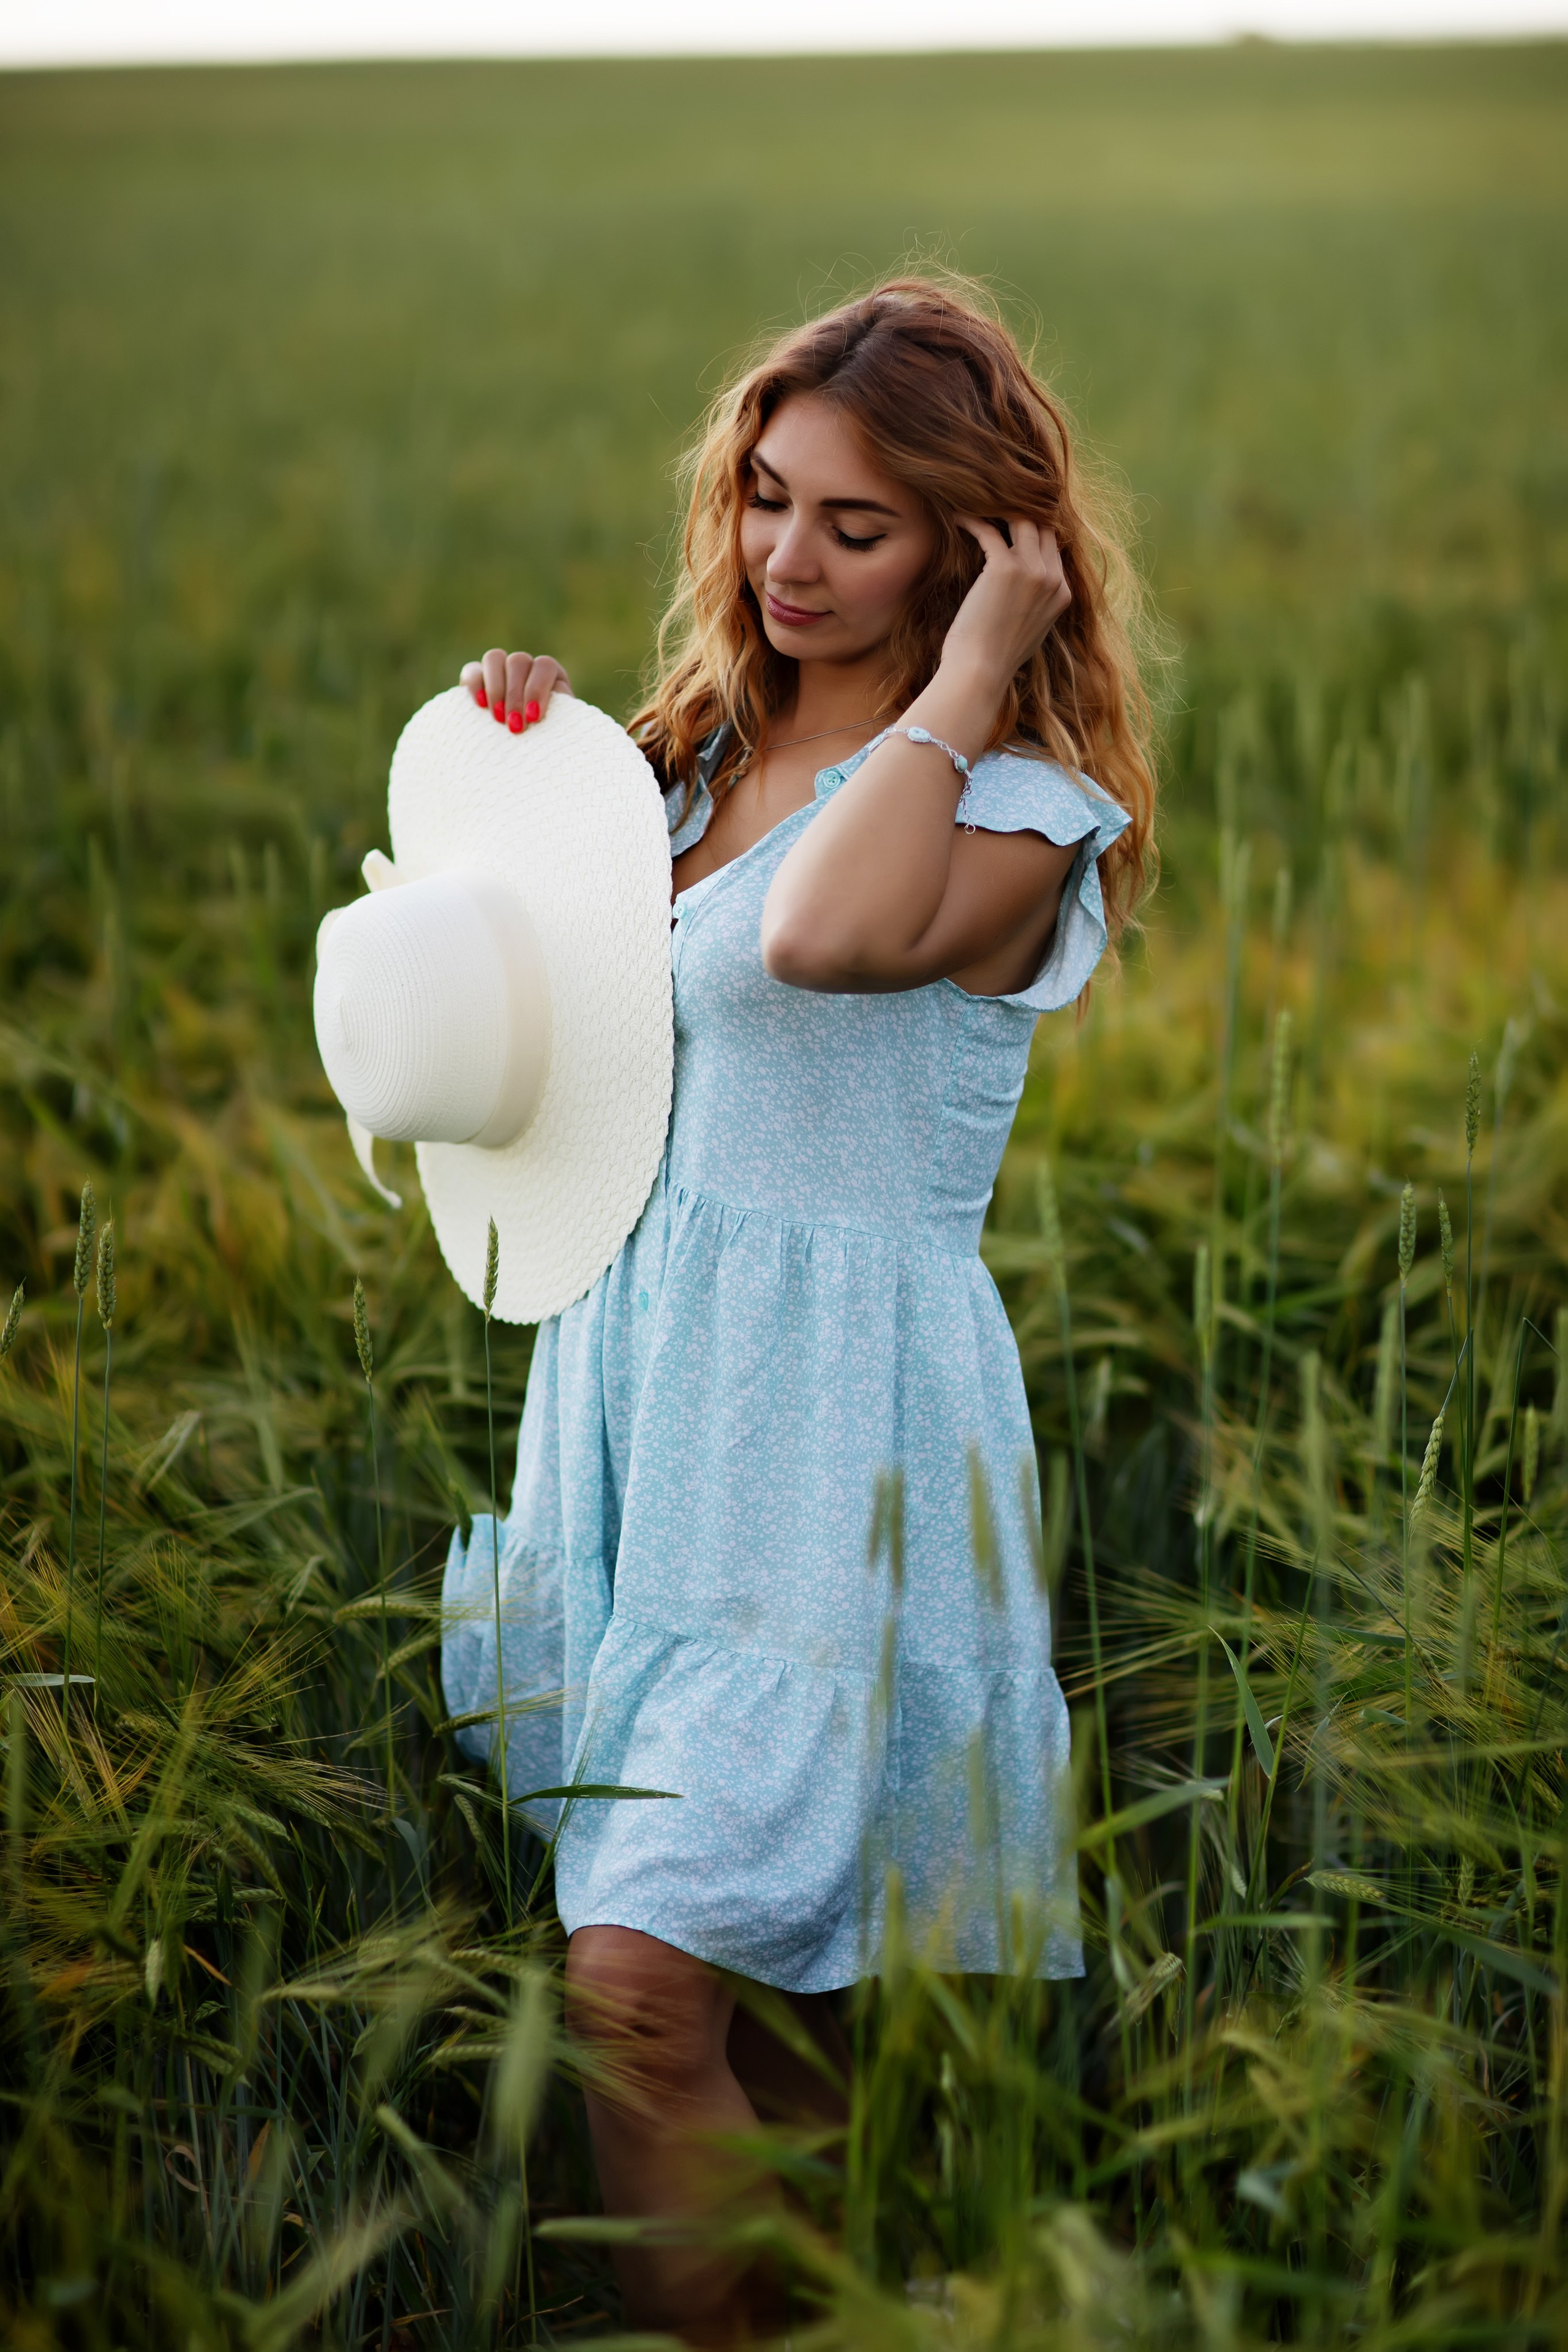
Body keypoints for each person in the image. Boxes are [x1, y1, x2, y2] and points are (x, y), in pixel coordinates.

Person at [442, 273, 1156, 2342]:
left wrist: (973, 684)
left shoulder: (1024, 809)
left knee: (641, 1996)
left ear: (974, 542)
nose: (787, 556)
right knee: (781, 2014)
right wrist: (510, 766)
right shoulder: (685, 766)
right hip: (651, 1395)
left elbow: (837, 931)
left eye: (857, 523)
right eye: (765, 500)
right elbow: (495, 1004)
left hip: (844, 1437)